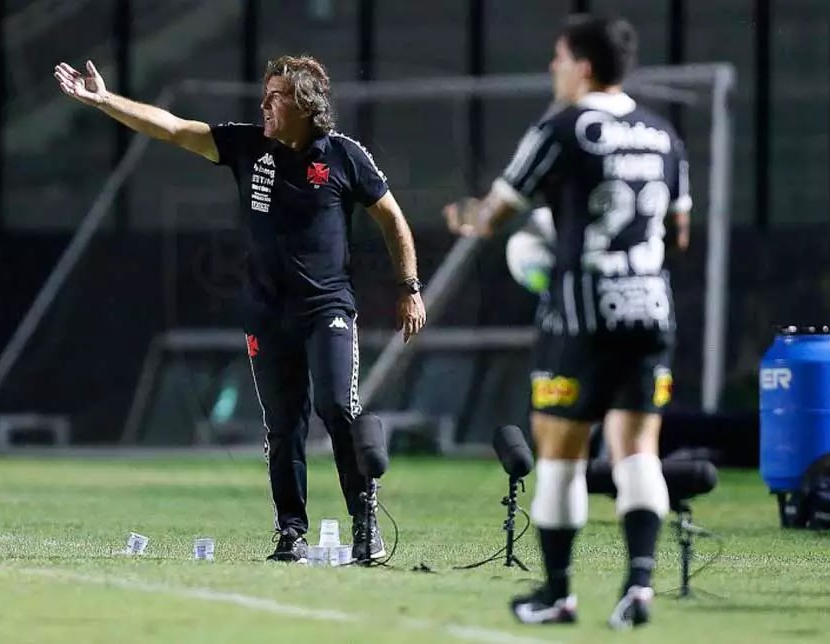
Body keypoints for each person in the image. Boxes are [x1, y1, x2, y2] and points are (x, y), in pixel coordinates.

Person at [54, 55, 426, 564]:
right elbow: (174, 129)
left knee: (338, 407)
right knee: (283, 424)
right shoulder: (249, 146)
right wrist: (104, 100)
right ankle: (292, 533)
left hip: (327, 309)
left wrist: (409, 286)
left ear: (304, 104)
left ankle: (366, 523)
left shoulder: (343, 157)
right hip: (267, 314)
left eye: (275, 95)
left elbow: (393, 219)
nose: (264, 104)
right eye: (265, 94)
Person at [444, 14, 691, 629]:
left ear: (581, 65)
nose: (553, 69)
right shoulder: (664, 134)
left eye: (558, 58)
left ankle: (557, 592)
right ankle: (638, 587)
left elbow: (497, 215)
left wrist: (466, 217)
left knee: (561, 451)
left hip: (582, 317)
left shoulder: (561, 128)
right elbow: (678, 234)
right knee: (638, 451)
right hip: (650, 309)